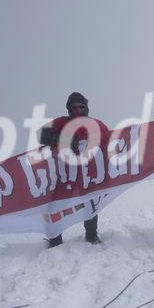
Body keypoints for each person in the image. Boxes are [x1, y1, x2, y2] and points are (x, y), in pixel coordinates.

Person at [38, 92, 109, 248]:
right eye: (74, 107)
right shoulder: (60, 123)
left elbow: (109, 143)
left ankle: (91, 235)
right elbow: (41, 135)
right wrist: (62, 140)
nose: (78, 110)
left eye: (81, 107)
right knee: (56, 207)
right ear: (69, 109)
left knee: (90, 204)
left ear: (86, 107)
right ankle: (55, 240)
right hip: (65, 177)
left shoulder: (98, 125)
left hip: (87, 175)